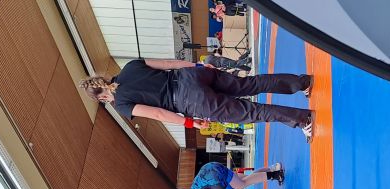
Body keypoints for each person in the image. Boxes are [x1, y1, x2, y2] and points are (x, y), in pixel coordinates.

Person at [79, 59, 315, 141]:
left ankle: (303, 119)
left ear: (103, 97)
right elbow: (169, 63)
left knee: (251, 112)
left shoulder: (121, 104)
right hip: (190, 76)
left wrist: (190, 123)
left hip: (189, 100)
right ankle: (302, 82)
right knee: (249, 84)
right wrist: (198, 66)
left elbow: (158, 113)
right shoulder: (130, 66)